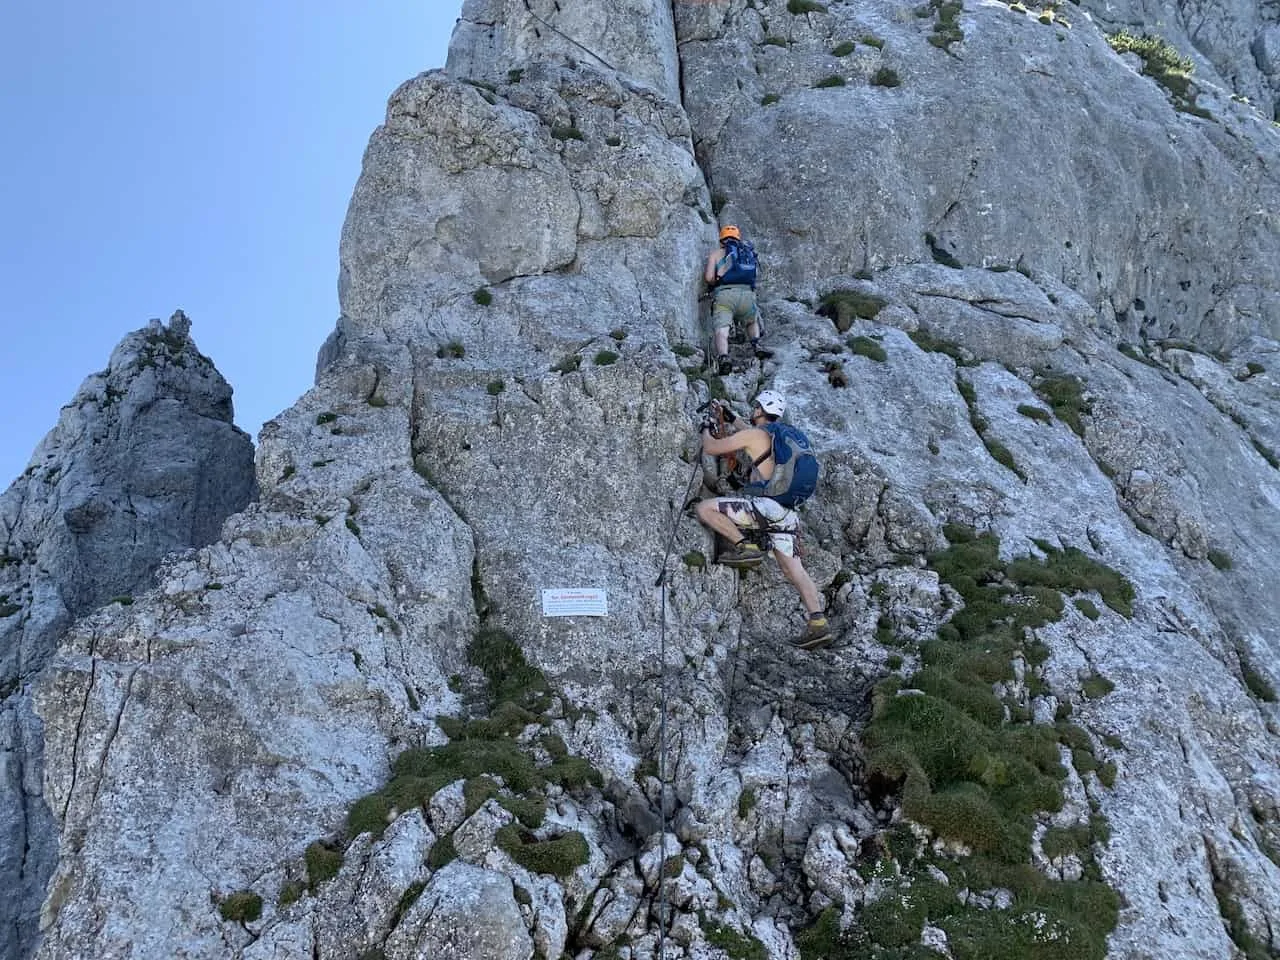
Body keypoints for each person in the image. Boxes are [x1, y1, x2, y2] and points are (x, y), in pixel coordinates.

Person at [694, 390, 833, 649]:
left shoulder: (754, 435)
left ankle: (743, 547)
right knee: (795, 570)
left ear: (760, 408)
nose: (753, 409)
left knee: (704, 509)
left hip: (764, 507)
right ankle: (818, 623)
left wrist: (706, 427)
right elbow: (750, 434)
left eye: (756, 406)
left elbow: (712, 447)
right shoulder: (775, 437)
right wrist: (732, 418)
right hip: (787, 513)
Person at [703, 225, 762, 376]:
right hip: (747, 295)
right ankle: (756, 344)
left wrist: (715, 281)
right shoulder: (746, 253)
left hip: (725, 296)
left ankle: (724, 357)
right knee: (751, 321)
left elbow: (709, 278)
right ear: (738, 239)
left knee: (721, 331)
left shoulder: (716, 254)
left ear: (721, 240)